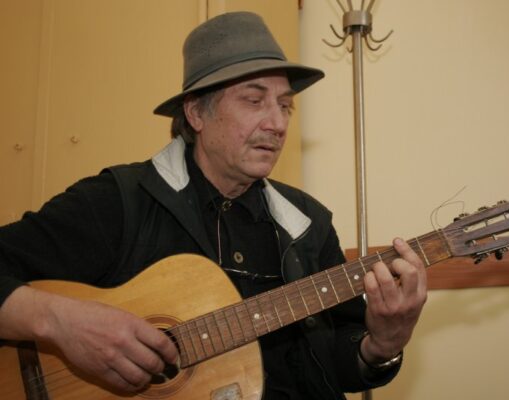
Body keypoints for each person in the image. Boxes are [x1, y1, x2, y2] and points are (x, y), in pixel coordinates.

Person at [0, 11, 427, 400]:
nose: (278, 123)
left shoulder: (308, 224)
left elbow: (336, 362)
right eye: (254, 100)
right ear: (196, 113)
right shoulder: (119, 201)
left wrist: (382, 346)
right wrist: (58, 321)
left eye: (285, 105)